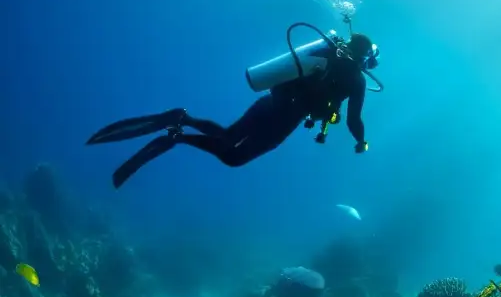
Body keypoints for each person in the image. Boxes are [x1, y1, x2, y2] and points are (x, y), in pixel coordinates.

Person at [88, 32, 378, 189]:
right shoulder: (356, 80)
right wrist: (361, 141)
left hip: (269, 104)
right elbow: (354, 120)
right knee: (235, 157)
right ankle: (178, 136)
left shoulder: (324, 53)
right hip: (285, 120)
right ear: (365, 57)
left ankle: (182, 119)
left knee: (228, 136)